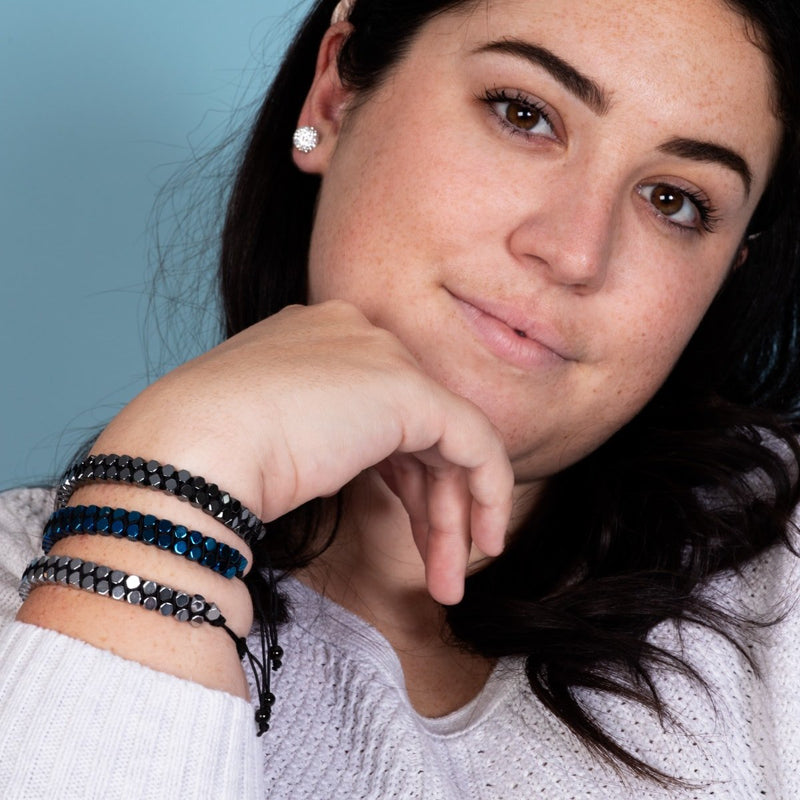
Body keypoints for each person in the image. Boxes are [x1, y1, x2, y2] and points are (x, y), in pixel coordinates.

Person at [2, 0, 800, 796]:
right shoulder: (26, 599)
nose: (575, 252)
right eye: (523, 114)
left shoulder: (780, 585)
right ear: (334, 97)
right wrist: (162, 502)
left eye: (674, 200)